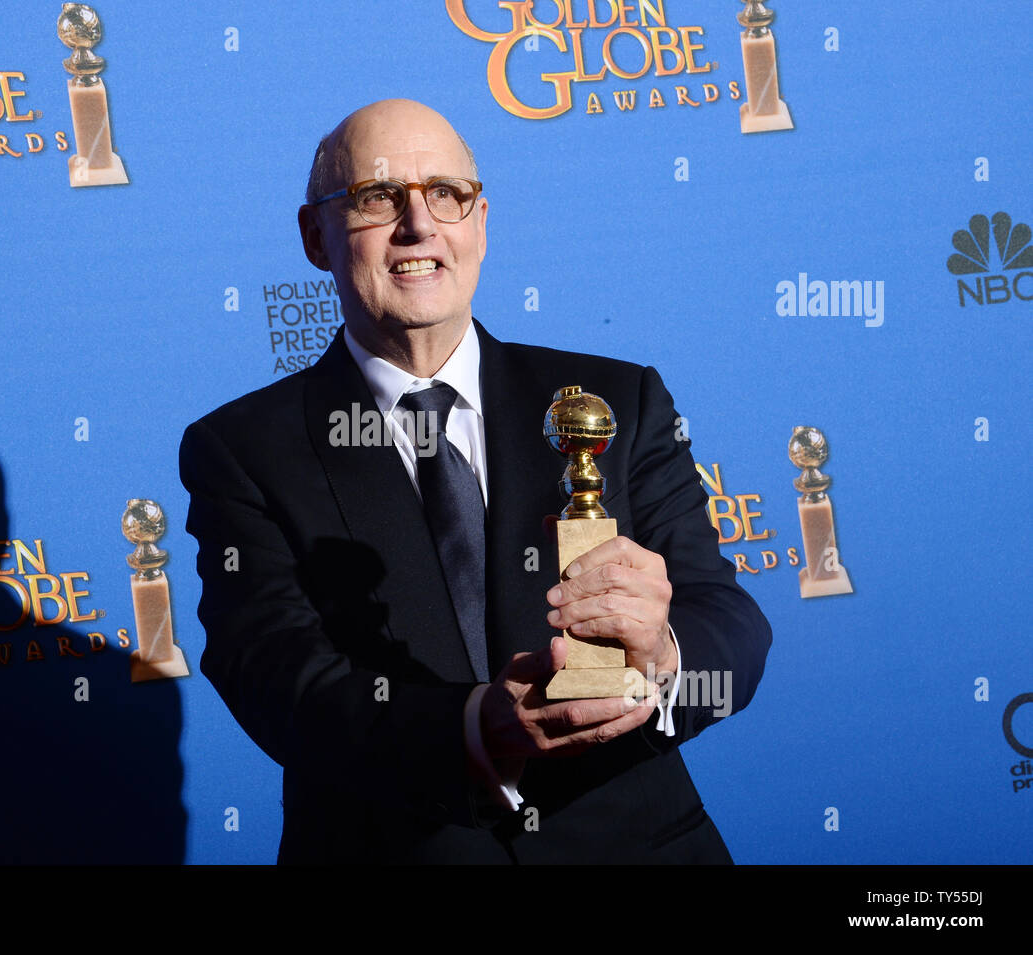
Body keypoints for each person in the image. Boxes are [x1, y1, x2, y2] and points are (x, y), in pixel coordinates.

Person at [179, 98, 771, 864]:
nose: (418, 225)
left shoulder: (613, 402)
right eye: (377, 198)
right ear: (314, 238)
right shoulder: (242, 448)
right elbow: (273, 675)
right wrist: (471, 729)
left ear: (481, 221)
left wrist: (663, 658)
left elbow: (729, 620)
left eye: (446, 195)